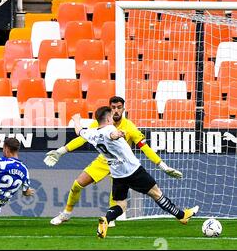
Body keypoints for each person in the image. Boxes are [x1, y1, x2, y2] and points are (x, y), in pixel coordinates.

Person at [44, 96, 183, 226]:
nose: (116, 110)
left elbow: (144, 147)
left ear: (123, 109)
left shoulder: (130, 127)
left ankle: (110, 219)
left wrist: (161, 164)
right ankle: (66, 213)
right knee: (77, 184)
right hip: (103, 161)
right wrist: (60, 151)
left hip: (121, 165)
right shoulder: (101, 125)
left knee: (117, 195)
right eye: (113, 108)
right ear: (110, 110)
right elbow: (82, 138)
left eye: (119, 107)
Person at [72, 107, 199, 238]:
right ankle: (182, 216)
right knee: (156, 194)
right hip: (132, 170)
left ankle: (106, 219)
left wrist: (76, 119)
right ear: (108, 118)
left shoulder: (91, 133)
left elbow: (79, 131)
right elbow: (112, 135)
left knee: (121, 204)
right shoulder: (110, 129)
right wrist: (118, 134)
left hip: (117, 173)